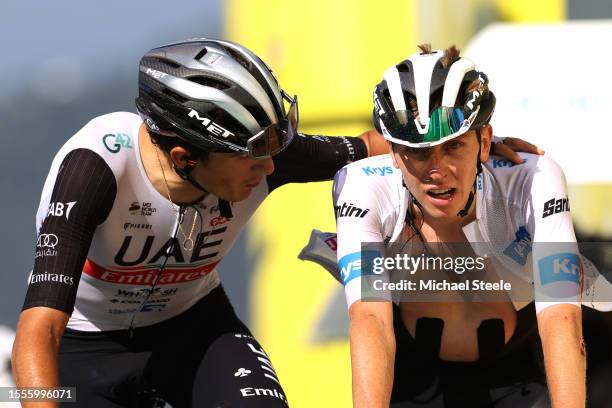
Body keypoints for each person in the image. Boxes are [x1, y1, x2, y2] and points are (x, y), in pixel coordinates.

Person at [11, 38, 537, 408]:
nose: (271, 168)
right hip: (85, 347)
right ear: (184, 155)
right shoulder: (97, 165)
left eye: (275, 149)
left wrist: (483, 147)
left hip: (195, 330)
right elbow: (39, 330)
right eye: (254, 157)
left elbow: (392, 144)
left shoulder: (272, 153)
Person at [332, 45, 586, 407]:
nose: (437, 170)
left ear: (484, 142)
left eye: (453, 146)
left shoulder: (534, 178)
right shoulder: (362, 186)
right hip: (414, 379)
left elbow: (560, 315)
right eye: (418, 151)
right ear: (392, 152)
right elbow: (370, 318)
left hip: (519, 373)